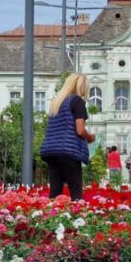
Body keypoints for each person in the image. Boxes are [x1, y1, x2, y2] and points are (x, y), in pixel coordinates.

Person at [39, 73, 95, 201]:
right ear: (81, 87)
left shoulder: (56, 102)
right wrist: (90, 137)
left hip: (51, 151)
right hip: (68, 151)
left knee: (55, 190)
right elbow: (80, 130)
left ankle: (52, 217)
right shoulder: (77, 101)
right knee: (75, 189)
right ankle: (77, 216)